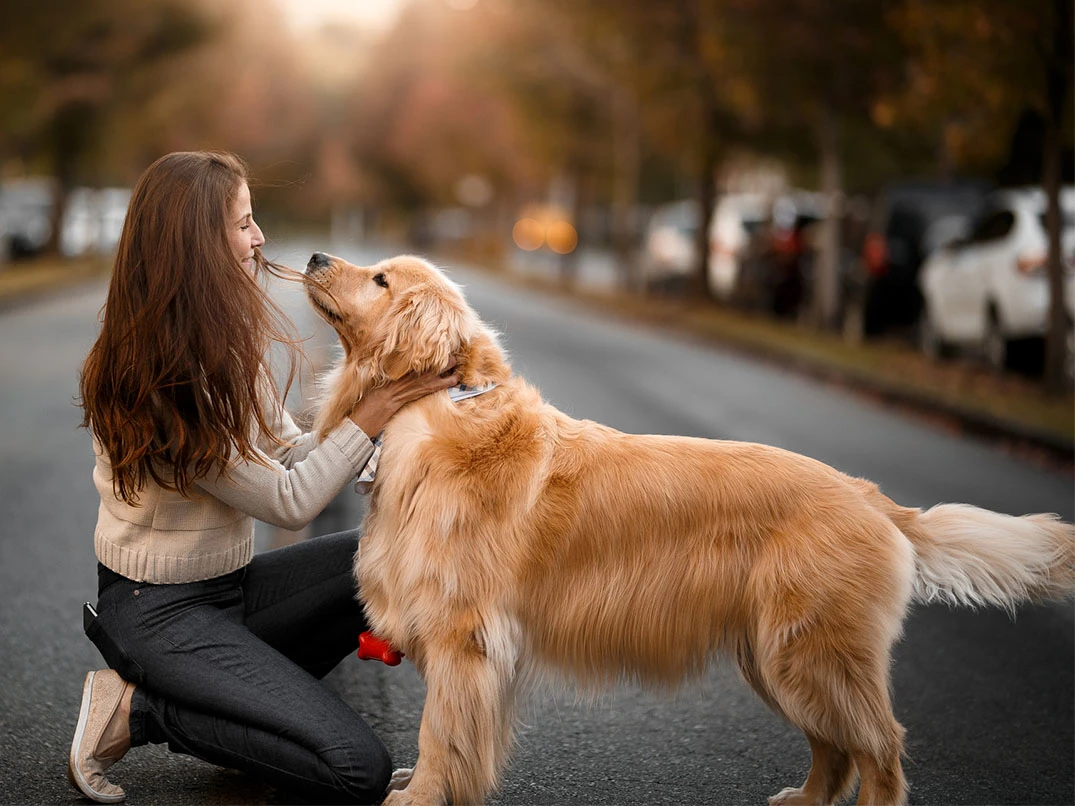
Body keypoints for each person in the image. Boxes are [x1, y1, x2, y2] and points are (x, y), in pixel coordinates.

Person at [69, 151, 457, 804]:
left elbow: (292, 448)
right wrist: (373, 413)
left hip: (229, 592)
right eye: (243, 224)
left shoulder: (217, 338)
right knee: (355, 770)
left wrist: (400, 442)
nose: (260, 238)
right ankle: (138, 710)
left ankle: (253, 725)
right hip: (158, 613)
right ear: (196, 242)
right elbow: (288, 498)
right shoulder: (166, 375)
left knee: (382, 556)